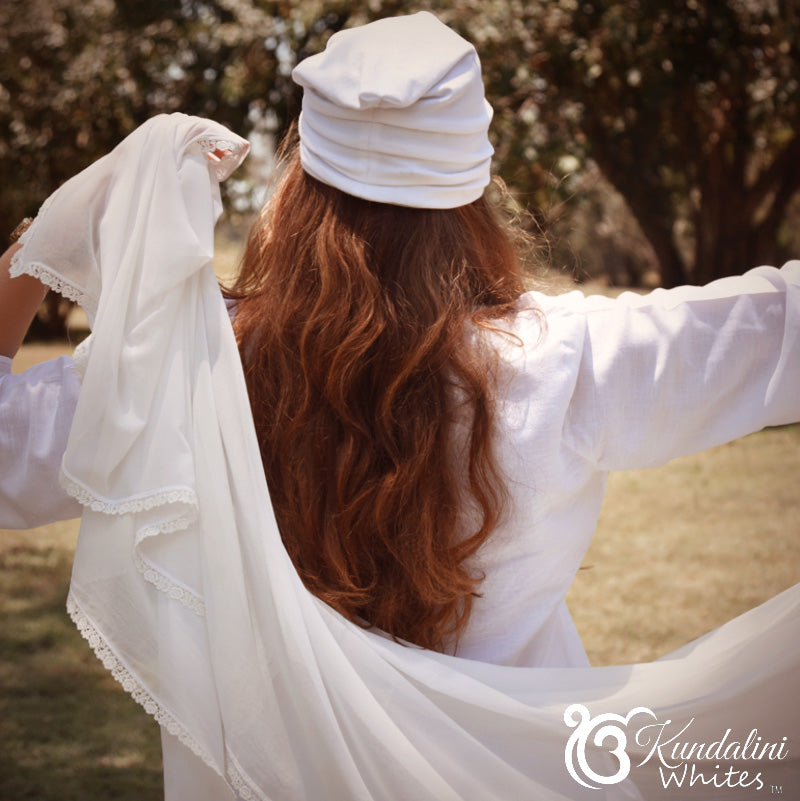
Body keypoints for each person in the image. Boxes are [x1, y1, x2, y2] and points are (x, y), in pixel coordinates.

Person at [1, 12, 798, 800]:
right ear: (474, 192)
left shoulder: (194, 368)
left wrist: (31, 258)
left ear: (299, 182)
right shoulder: (567, 357)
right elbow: (778, 327)